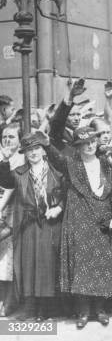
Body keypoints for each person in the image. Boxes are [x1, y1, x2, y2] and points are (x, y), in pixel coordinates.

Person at [45, 126, 112, 329]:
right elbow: (56, 157)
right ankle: (83, 311)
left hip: (105, 221)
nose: (90, 145)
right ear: (78, 146)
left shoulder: (108, 163)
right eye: (85, 143)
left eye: (93, 141)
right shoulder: (71, 164)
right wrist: (46, 144)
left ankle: (100, 309)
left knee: (101, 265)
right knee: (81, 267)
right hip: (79, 222)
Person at [0, 132, 64, 321]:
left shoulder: (56, 172)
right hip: (28, 224)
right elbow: (4, 181)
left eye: (36, 148)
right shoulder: (19, 173)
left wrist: (59, 208)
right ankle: (30, 308)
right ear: (25, 154)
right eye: (29, 150)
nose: (33, 152)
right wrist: (4, 158)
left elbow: (66, 196)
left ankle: (47, 309)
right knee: (28, 264)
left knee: (47, 264)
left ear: (44, 150)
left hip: (50, 224)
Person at [0, 123, 24, 317]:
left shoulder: (22, 160)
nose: (7, 140)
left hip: (13, 213)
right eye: (5, 136)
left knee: (8, 259)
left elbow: (12, 184)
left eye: (12, 137)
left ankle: (8, 300)